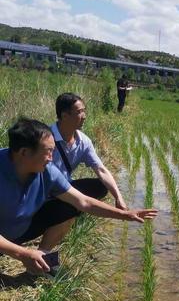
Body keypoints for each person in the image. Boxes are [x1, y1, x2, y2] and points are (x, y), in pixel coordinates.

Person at [0, 118, 157, 275]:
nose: (51, 157)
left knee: (69, 207)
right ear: (24, 152)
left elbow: (83, 202)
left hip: (20, 230)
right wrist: (21, 253)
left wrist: (125, 214)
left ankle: (42, 257)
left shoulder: (47, 170)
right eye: (48, 151)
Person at [51, 92, 127, 210]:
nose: (84, 116)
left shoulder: (83, 141)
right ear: (65, 116)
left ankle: (70, 209)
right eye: (79, 112)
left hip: (66, 188)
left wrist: (118, 197)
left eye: (84, 111)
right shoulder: (45, 138)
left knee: (101, 186)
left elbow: (101, 170)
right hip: (45, 190)